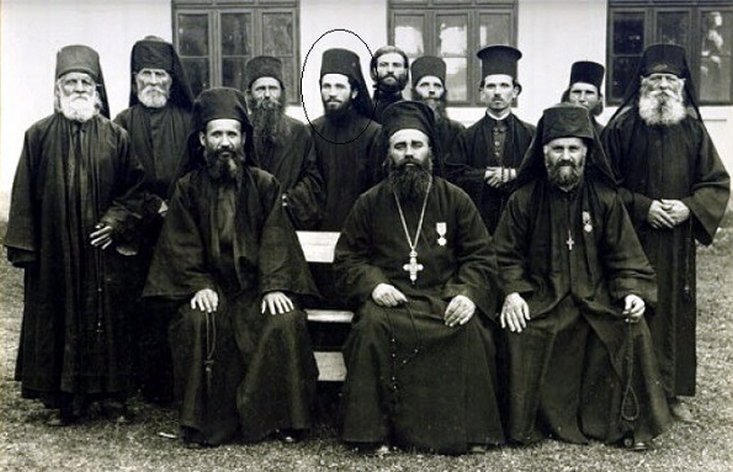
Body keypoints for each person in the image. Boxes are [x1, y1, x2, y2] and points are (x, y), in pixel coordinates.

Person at [143, 87, 319, 447]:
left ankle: (279, 420)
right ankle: (205, 424)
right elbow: (180, 244)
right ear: (202, 140)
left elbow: (276, 237)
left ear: (243, 139)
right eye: (217, 134)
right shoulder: (187, 188)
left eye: (232, 134)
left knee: (285, 319)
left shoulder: (265, 185)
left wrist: (273, 285)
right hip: (211, 288)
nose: (225, 142)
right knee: (197, 319)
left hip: (255, 290)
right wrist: (198, 284)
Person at [494, 103, 671, 450]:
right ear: (543, 152)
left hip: (596, 297)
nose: (566, 157)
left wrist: (632, 291)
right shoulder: (523, 200)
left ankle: (626, 426)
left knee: (632, 330)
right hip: (542, 299)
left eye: (573, 148)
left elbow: (625, 256)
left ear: (587, 153)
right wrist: (512, 292)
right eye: (557, 148)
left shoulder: (605, 199)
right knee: (520, 332)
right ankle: (527, 425)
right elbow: (503, 255)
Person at [334, 100, 504, 455]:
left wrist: (468, 294)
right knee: (370, 327)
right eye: (400, 146)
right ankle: (373, 434)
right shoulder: (370, 202)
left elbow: (480, 256)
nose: (409, 153)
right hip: (390, 302)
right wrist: (375, 285)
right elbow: (349, 258)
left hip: (443, 298)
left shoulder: (455, 199)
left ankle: (467, 432)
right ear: (389, 153)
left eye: (416, 145)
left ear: (430, 151)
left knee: (469, 328)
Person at [4, 45, 145, 425]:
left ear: (97, 90)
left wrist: (115, 223)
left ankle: (111, 396)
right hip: (56, 252)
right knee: (59, 318)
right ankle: (64, 401)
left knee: (108, 320)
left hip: (103, 254)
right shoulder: (37, 136)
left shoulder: (116, 137)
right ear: (58, 90)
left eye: (86, 82)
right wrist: (28, 249)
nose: (79, 88)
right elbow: (23, 194)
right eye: (71, 82)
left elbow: (135, 190)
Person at [602, 44, 730, 422]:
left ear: (682, 85)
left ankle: (672, 393)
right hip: (630, 240)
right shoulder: (622, 128)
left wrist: (689, 207)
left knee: (673, 312)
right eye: (655, 78)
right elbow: (603, 187)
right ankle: (629, 390)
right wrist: (645, 207)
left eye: (670, 79)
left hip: (676, 242)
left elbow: (716, 182)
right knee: (631, 307)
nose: (662, 85)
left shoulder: (693, 130)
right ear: (642, 82)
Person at [113, 35, 195, 405]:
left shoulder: (189, 120)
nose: (153, 81)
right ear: (135, 81)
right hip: (138, 228)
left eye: (160, 74)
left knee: (175, 303)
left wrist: (174, 205)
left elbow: (196, 171)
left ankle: (175, 382)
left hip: (181, 227)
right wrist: (150, 205)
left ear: (171, 81)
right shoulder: (121, 123)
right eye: (145, 74)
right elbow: (117, 176)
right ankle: (139, 381)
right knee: (137, 303)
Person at [446, 45, 535, 234]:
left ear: (515, 91)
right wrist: (484, 175)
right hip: (478, 223)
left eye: (504, 86)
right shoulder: (467, 136)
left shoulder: (531, 134)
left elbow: (541, 171)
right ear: (482, 92)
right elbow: (452, 175)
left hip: (522, 222)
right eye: (491, 86)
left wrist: (513, 174)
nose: (497, 92)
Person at [244, 55, 324, 229]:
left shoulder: (299, 132)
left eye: (273, 88)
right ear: (250, 94)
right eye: (260, 89)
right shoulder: (241, 131)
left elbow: (312, 180)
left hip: (286, 219)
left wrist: (288, 199)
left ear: (282, 93)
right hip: (248, 221)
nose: (267, 95)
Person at [311, 48, 382, 232]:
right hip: (318, 230)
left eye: (339, 86)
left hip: (361, 230)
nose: (332, 93)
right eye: (326, 86)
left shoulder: (373, 133)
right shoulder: (312, 131)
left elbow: (377, 188)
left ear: (354, 92)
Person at [410, 55, 465, 177]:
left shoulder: (457, 131)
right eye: (425, 85)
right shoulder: (405, 130)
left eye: (437, 86)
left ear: (444, 92)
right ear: (414, 91)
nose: (432, 90)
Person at [561, 60, 606, 134]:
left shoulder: (604, 134)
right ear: (567, 96)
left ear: (599, 99)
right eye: (577, 92)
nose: (582, 98)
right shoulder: (554, 129)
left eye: (589, 93)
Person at [370, 45, 409, 123]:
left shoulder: (410, 112)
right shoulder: (365, 111)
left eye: (396, 65)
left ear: (405, 71)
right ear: (374, 70)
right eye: (383, 65)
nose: (390, 70)